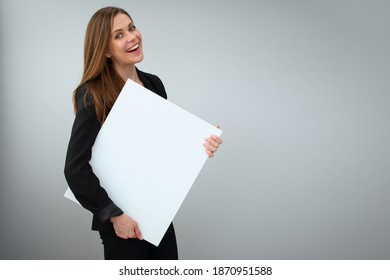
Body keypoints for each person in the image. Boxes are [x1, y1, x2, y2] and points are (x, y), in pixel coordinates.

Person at [64, 6, 222, 260]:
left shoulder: (154, 84)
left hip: (156, 214)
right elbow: (75, 169)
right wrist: (114, 215)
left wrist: (200, 143)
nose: (132, 37)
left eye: (132, 27)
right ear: (104, 50)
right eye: (118, 35)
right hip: (121, 223)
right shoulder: (94, 94)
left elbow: (159, 150)